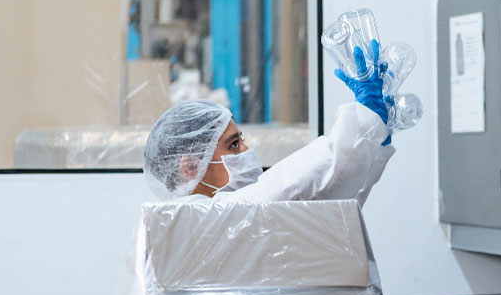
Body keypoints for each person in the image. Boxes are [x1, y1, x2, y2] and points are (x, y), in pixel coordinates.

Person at [143, 42, 393, 204]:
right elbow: (296, 189)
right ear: (190, 168)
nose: (247, 151)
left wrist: (373, 146)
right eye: (233, 145)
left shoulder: (221, 217)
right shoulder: (201, 218)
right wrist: (362, 122)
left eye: (241, 141)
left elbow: (332, 211)